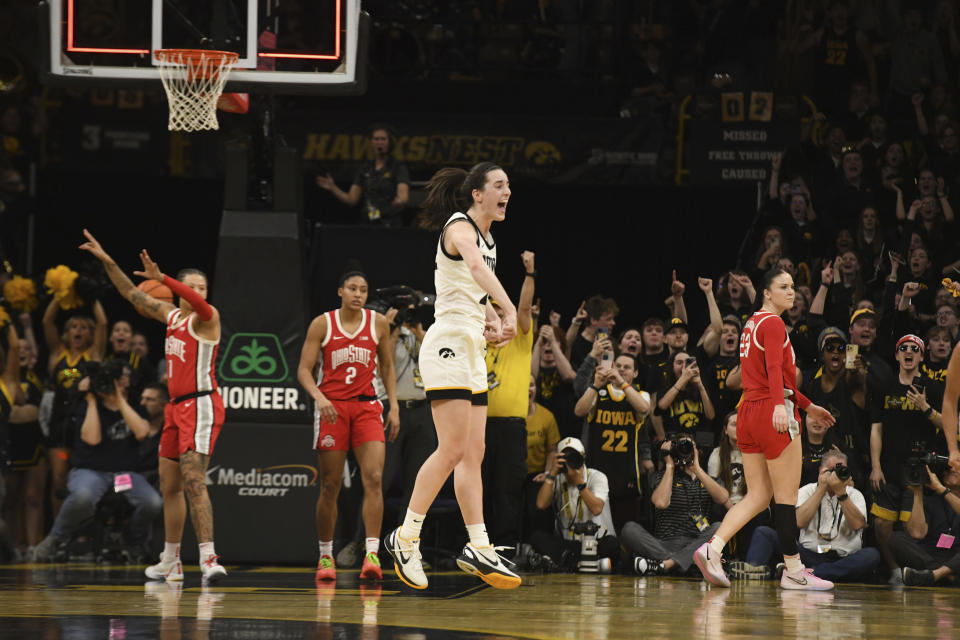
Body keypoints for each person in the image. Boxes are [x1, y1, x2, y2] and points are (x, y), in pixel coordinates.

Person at [383, 162, 521, 591]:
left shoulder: (489, 238)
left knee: (473, 453)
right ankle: (405, 537)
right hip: (446, 345)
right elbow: (478, 271)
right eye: (499, 185)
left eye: (509, 186)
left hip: (471, 347)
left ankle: (478, 545)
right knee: (452, 449)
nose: (507, 192)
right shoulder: (459, 228)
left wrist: (491, 319)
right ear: (476, 194)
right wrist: (509, 310)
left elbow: (470, 290)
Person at [79, 229, 228, 584]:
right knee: (169, 485)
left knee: (194, 481)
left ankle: (209, 559)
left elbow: (199, 302)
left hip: (202, 405)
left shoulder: (208, 319)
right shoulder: (172, 317)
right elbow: (131, 293)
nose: (196, 292)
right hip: (176, 408)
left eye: (200, 286)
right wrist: (108, 261)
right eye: (191, 286)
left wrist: (164, 279)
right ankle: (170, 561)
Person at [693, 266, 837, 590]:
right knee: (785, 501)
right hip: (772, 412)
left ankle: (712, 549)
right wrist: (779, 408)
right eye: (784, 286)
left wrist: (806, 404)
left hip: (747, 413)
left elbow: (762, 378)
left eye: (793, 287)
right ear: (767, 293)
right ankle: (795, 572)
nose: (792, 292)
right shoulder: (773, 323)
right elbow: (774, 371)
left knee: (757, 496)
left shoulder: (751, 323)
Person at [296, 264, 399, 582]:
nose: (358, 294)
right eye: (352, 288)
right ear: (341, 291)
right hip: (332, 410)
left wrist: (393, 406)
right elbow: (303, 370)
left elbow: (387, 366)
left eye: (363, 290)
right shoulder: (322, 323)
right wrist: (319, 397)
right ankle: (325, 556)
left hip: (367, 407)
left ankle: (371, 555)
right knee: (330, 485)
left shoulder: (378, 323)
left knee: (374, 478)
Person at [32, 360, 162, 561]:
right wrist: (92, 401)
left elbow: (142, 432)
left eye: (120, 378)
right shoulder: (87, 404)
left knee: (152, 502)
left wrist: (119, 399)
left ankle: (134, 539)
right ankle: (56, 539)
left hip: (122, 476)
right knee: (83, 497)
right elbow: (92, 438)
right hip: (91, 471)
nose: (116, 383)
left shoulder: (135, 404)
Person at [736, 451, 880, 583]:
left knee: (871, 555)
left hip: (844, 558)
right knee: (764, 533)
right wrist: (821, 489)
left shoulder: (855, 494)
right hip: (809, 555)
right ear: (820, 471)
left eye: (841, 470)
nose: (835, 475)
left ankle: (809, 574)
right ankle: (753, 570)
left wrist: (842, 494)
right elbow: (798, 521)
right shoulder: (807, 490)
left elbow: (857, 525)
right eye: (831, 470)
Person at [869, 334, 945, 583]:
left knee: (915, 530)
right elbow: (876, 428)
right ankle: (893, 571)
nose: (909, 352)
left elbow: (946, 424)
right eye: (904, 348)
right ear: (897, 355)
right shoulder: (885, 386)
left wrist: (926, 408)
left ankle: (918, 571)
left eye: (915, 348)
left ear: (922, 356)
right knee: (881, 525)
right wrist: (876, 466)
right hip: (888, 467)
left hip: (918, 469)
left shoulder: (932, 388)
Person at [621, 435, 730, 576]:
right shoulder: (662, 477)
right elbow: (660, 503)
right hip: (665, 543)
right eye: (680, 447)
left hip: (698, 543)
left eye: (689, 446)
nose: (685, 451)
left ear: (698, 451)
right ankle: (687, 564)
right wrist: (670, 466)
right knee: (629, 529)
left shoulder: (710, 480)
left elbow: (723, 498)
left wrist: (697, 469)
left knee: (720, 526)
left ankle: (667, 565)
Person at [41, 296, 106, 518]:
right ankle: (60, 531)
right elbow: (47, 322)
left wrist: (92, 295)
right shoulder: (58, 353)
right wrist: (61, 295)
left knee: (81, 479)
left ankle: (79, 531)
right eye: (74, 327)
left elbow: (104, 324)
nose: (78, 331)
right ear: (67, 332)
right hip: (59, 425)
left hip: (84, 423)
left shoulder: (94, 354)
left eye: (84, 328)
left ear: (90, 333)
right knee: (58, 479)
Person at [574, 353, 652, 533]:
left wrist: (622, 384)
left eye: (627, 367)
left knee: (625, 529)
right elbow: (579, 411)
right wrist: (595, 385)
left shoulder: (641, 394)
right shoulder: (598, 392)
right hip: (597, 469)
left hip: (626, 472)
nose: (622, 370)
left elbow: (643, 408)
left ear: (636, 373)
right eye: (618, 366)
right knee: (596, 528)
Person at [531, 437, 618, 571]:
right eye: (565, 458)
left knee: (611, 544)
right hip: (570, 545)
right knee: (537, 537)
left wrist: (579, 483)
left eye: (574, 457)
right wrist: (551, 474)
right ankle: (582, 564)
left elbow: (596, 509)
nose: (569, 462)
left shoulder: (597, 477)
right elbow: (541, 504)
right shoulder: (558, 479)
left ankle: (568, 565)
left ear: (583, 457)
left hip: (597, 541)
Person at [315, 124, 411, 226]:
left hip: (390, 222)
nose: (380, 142)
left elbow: (403, 195)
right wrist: (333, 188)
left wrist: (400, 200)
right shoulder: (365, 168)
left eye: (383, 139)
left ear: (389, 142)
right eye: (376, 139)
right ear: (371, 142)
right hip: (368, 222)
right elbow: (352, 199)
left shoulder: (397, 167)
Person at [888, 464, 960, 586]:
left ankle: (934, 576)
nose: (950, 470)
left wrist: (943, 490)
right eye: (948, 468)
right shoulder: (931, 500)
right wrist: (917, 492)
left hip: (957, 557)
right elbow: (917, 533)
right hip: (930, 556)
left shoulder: (942, 492)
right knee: (896, 539)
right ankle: (947, 576)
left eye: (957, 466)